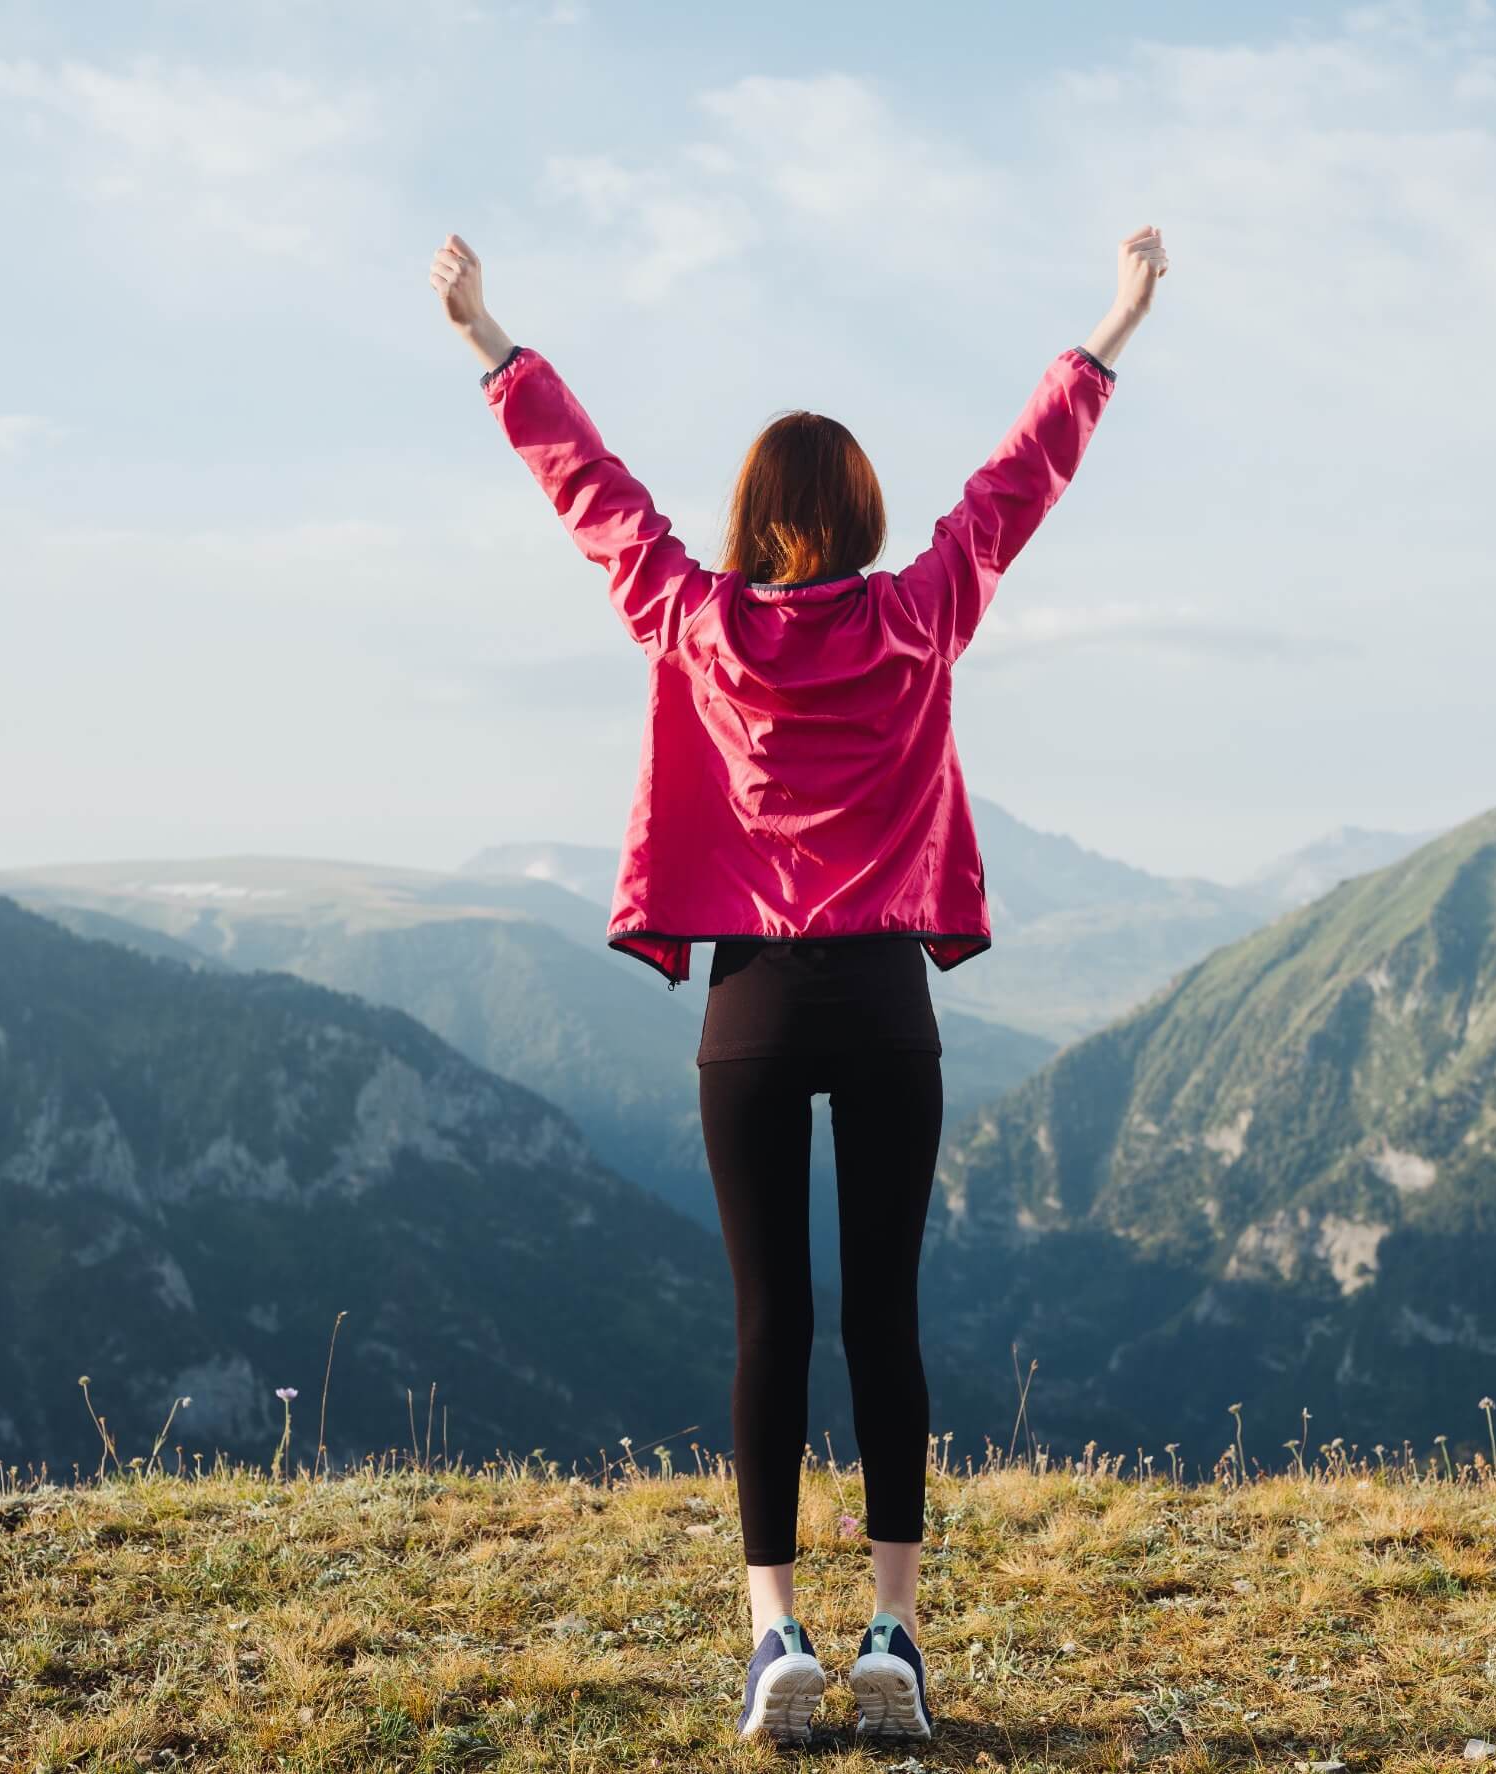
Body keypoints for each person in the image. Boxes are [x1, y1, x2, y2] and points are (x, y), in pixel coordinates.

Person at [431, 224, 1165, 1746]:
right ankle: (893, 1627)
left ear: (756, 518)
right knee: (883, 1318)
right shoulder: (916, 617)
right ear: (863, 515)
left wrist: (490, 339)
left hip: (751, 1013)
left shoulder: (695, 622)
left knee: (768, 1323)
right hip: (888, 1005)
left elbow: (591, 490)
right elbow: (1018, 483)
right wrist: (1109, 325)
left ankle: (775, 1641)